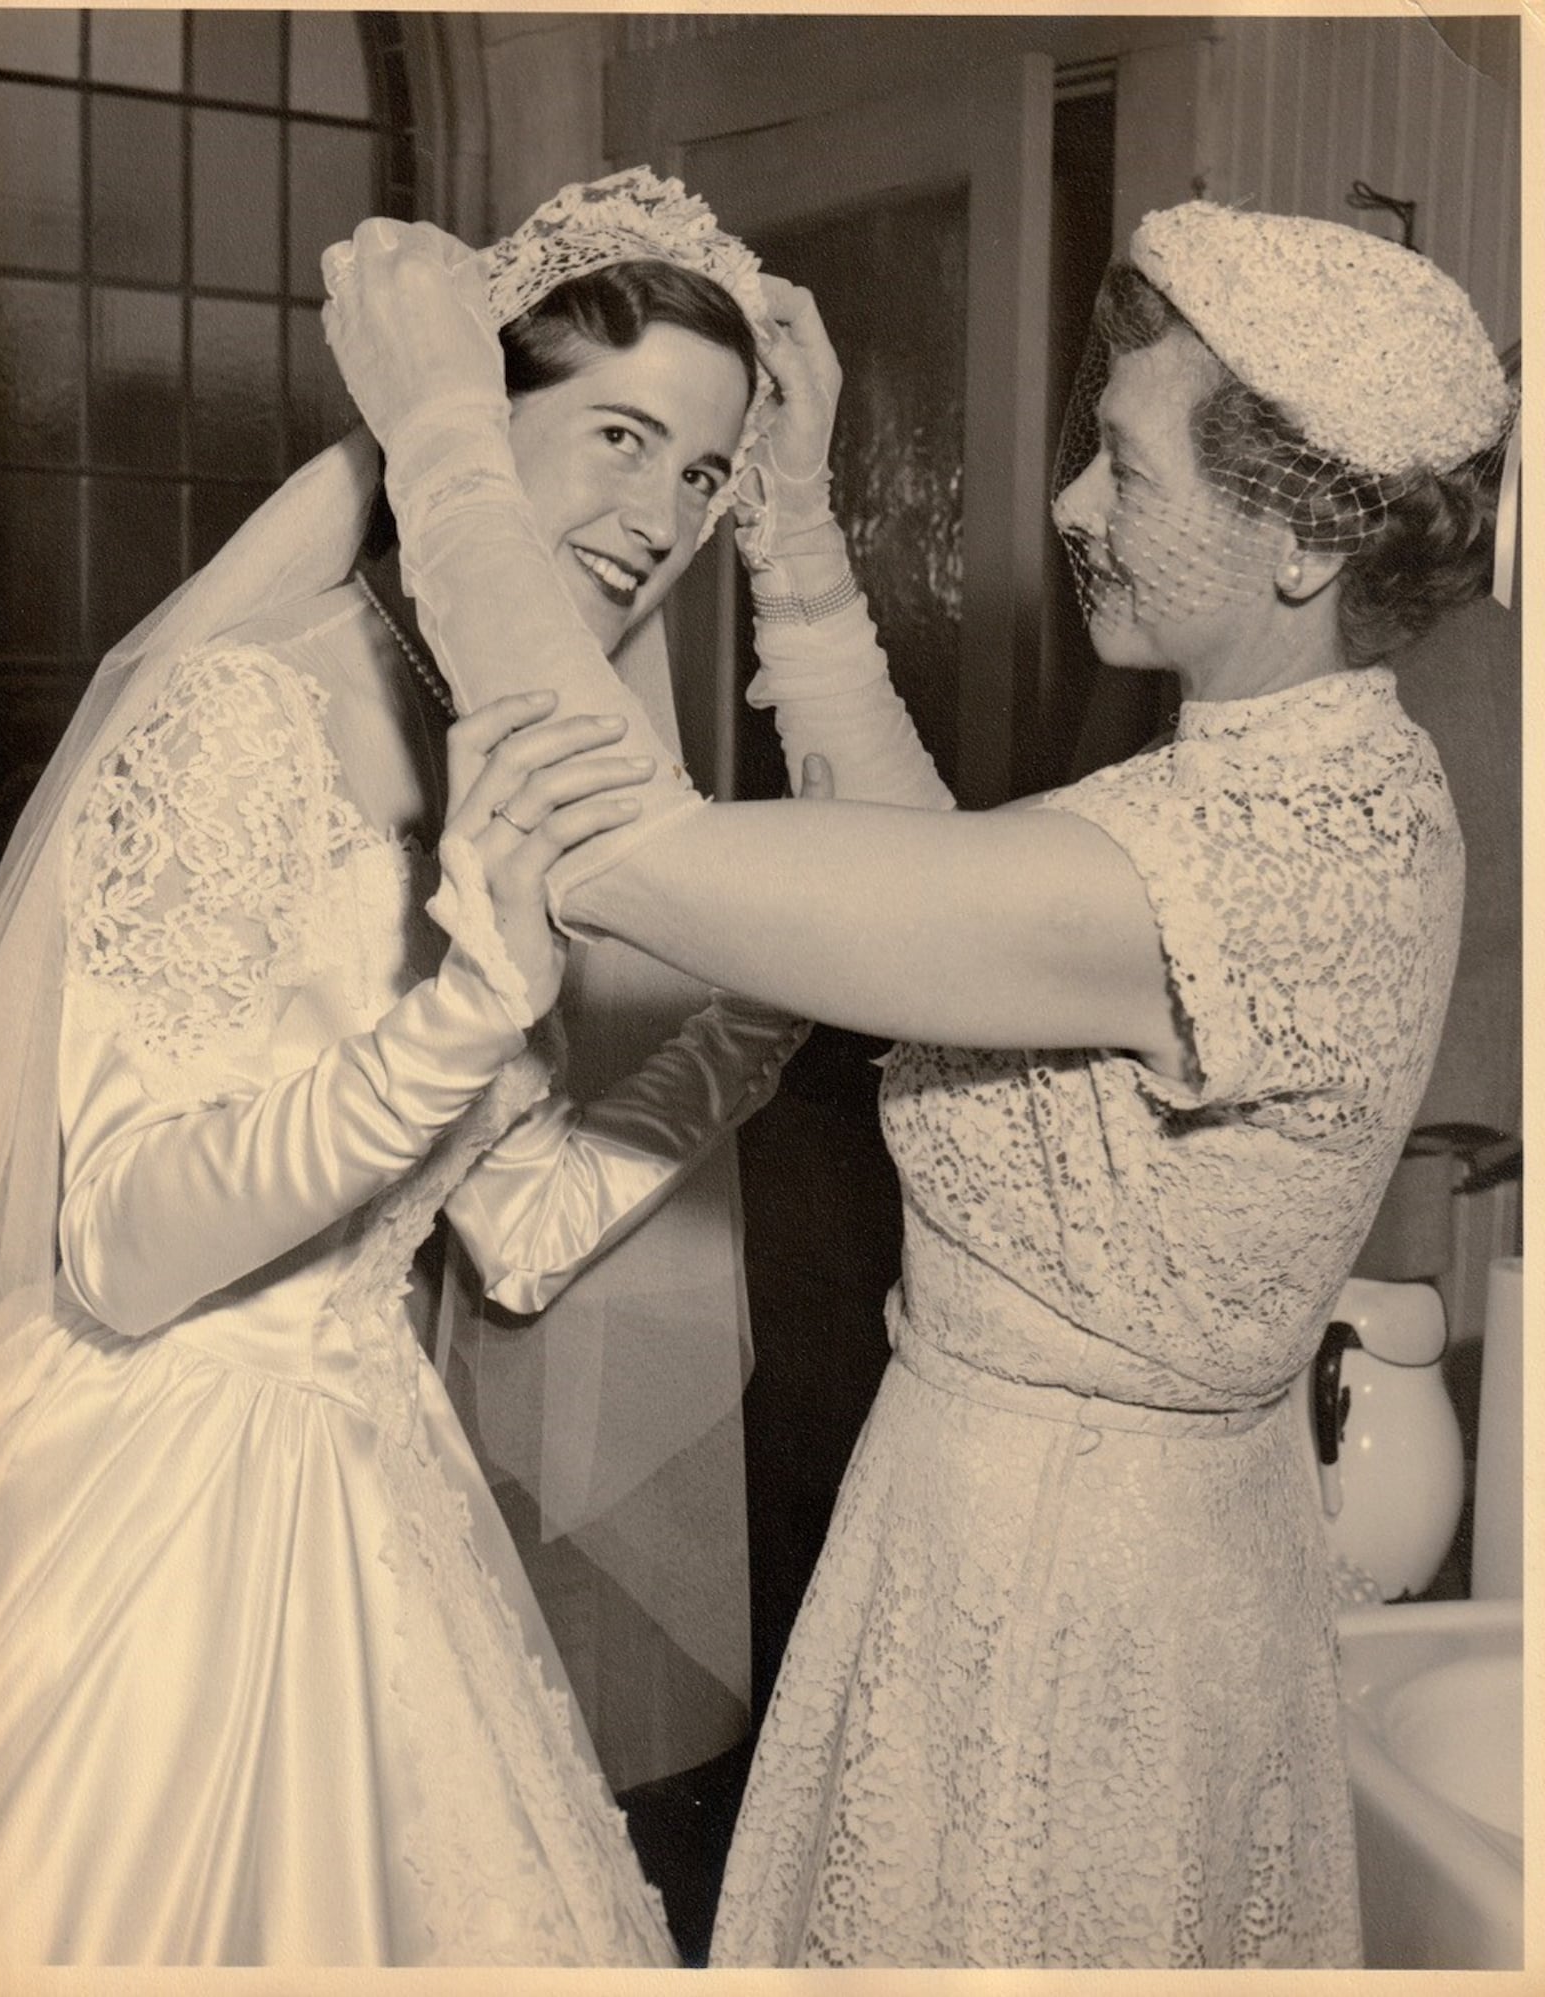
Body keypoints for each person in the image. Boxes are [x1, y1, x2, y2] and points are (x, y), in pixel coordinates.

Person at [319, 199, 1515, 1968]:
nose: (1071, 508)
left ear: (1292, 540)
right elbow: (941, 903)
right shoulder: (1293, 787)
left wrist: (441, 440)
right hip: (1078, 1548)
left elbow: (618, 845)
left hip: (1066, 1612)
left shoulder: (1260, 850)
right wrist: (794, 539)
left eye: (1124, 463)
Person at [0, 170, 840, 1965]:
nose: (657, 514)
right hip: (159, 1518)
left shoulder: (492, 739)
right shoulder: (240, 712)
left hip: (377, 1489)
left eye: (701, 475)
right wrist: (460, 1007)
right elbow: (123, 1245)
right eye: (617, 432)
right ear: (461, 417)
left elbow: (506, 1229)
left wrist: (745, 1029)